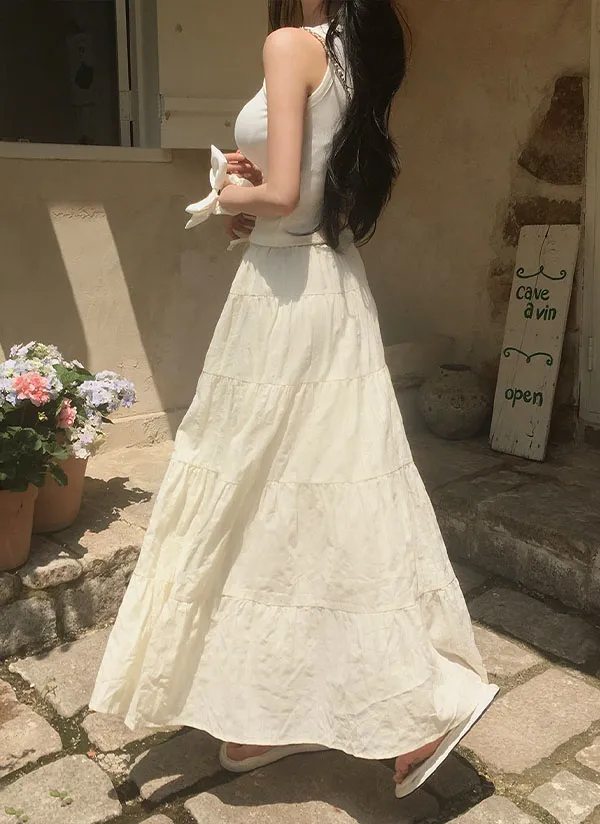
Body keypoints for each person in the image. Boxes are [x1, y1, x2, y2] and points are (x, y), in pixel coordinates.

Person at [90, 0, 497, 799]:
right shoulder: (354, 50)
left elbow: (282, 196)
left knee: (264, 491)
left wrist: (226, 192)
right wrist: (254, 208)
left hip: (284, 297)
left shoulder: (291, 44)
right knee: (300, 494)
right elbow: (311, 194)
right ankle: (267, 714)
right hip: (325, 280)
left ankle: (417, 711)